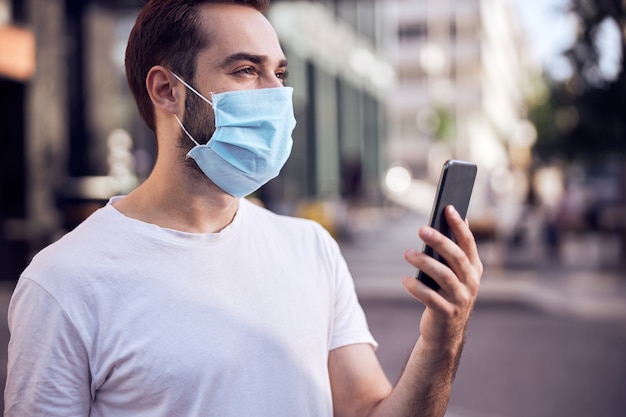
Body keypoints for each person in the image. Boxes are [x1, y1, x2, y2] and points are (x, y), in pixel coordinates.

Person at [4, 0, 483, 416]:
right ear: (166, 90)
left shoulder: (311, 248)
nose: (278, 96)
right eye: (246, 70)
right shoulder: (63, 283)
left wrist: (442, 340)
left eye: (280, 73)